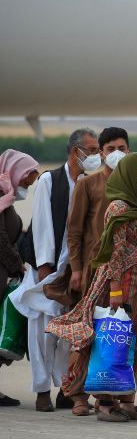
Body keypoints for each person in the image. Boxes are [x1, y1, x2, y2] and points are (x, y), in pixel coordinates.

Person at [47, 153, 137, 422]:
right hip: (122, 281)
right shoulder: (118, 208)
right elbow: (114, 251)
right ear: (127, 176)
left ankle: (127, 400)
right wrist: (114, 289)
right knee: (113, 341)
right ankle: (104, 404)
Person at [10, 128, 97, 412]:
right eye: (92, 150)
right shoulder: (50, 180)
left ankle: (64, 386)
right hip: (45, 269)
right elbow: (43, 226)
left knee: (67, 333)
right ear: (76, 152)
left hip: (74, 268)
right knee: (41, 333)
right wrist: (46, 268)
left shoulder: (90, 182)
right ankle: (42, 390)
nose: (95, 156)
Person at [68, 127, 130, 298]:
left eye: (121, 149)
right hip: (95, 265)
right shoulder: (87, 184)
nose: (117, 153)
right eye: (111, 149)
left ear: (128, 152)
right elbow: (74, 230)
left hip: (129, 267)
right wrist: (76, 269)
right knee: (94, 321)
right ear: (102, 153)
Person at [0, 149, 41, 408]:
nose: (29, 183)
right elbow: (1, 239)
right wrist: (18, 267)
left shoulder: (6, 197)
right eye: (27, 177)